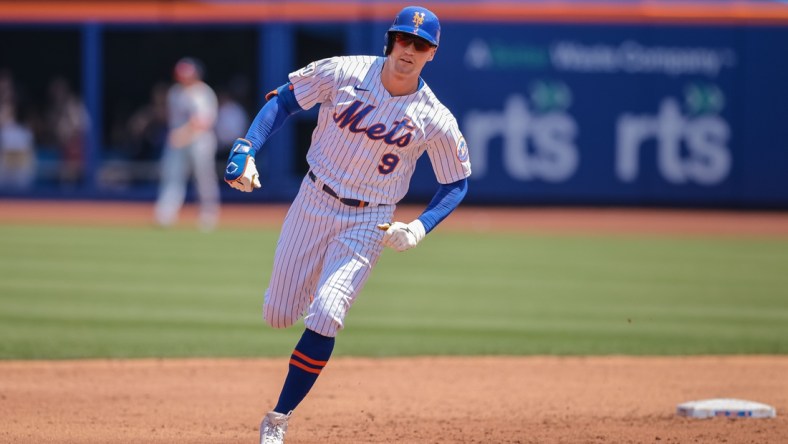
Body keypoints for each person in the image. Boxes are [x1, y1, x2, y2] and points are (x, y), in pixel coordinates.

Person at [224, 6, 471, 443]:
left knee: (326, 312)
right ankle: (295, 292)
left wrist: (418, 227)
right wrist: (248, 146)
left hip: (371, 217)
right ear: (390, 40)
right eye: (403, 39)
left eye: (421, 44)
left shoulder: (434, 117)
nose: (409, 50)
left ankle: (277, 419)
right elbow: (283, 101)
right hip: (314, 199)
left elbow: (456, 183)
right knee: (279, 316)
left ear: (432, 53)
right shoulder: (344, 72)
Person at [154, 57, 220, 231]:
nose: (183, 77)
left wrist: (181, 135)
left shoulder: (204, 92)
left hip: (199, 139)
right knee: (172, 176)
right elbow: (171, 117)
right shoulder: (175, 92)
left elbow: (203, 121)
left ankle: (208, 214)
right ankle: (166, 213)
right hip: (178, 138)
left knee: (204, 178)